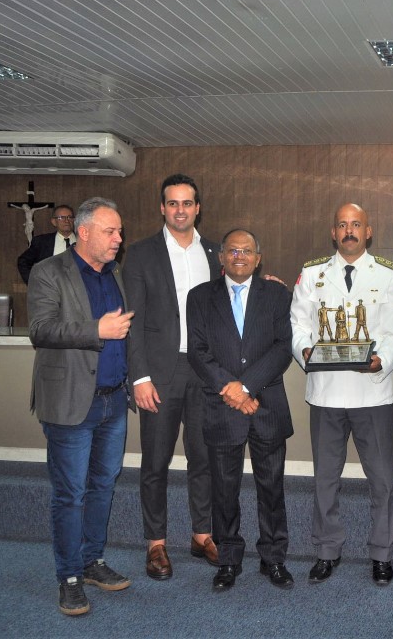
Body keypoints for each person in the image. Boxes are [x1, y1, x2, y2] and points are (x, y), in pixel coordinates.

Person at [28, 197, 134, 616]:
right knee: (70, 494)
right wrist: (96, 330)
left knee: (103, 486)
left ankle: (93, 561)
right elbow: (40, 330)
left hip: (113, 401)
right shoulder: (48, 271)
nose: (118, 239)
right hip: (71, 402)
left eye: (119, 231)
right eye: (111, 231)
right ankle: (69, 576)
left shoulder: (115, 274)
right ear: (84, 232)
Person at [290, 203, 393, 586]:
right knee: (325, 480)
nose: (349, 231)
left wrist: (382, 360)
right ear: (333, 232)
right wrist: (305, 352)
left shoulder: (388, 274)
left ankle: (382, 554)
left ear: (368, 231)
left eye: (356, 224)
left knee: (382, 482)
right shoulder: (312, 273)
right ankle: (326, 550)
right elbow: (298, 324)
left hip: (372, 393)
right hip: (326, 393)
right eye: (342, 225)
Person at [122, 174, 220, 580]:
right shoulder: (140, 254)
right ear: (162, 208)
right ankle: (156, 543)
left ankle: (202, 534)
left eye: (187, 203)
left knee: (204, 457)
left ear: (198, 208)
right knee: (156, 461)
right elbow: (133, 321)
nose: (181, 210)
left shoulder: (214, 252)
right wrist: (139, 377)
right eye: (173, 203)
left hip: (205, 371)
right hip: (160, 374)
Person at [186, 229, 294, 592]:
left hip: (266, 406)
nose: (239, 256)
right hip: (221, 407)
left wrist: (245, 387)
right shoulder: (199, 297)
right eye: (232, 251)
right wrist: (230, 389)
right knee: (223, 491)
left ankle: (273, 558)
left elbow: (283, 347)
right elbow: (198, 351)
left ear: (258, 259)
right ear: (221, 257)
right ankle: (228, 560)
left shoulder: (277, 295)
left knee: (272, 489)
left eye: (247, 251)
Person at [18, 204, 76, 283]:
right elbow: (23, 262)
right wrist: (34, 283)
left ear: (74, 220)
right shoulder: (42, 242)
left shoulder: (84, 242)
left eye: (70, 217)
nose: (66, 220)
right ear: (54, 222)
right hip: (51, 288)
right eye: (61, 217)